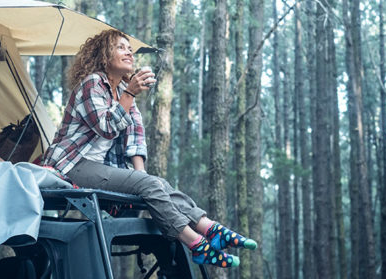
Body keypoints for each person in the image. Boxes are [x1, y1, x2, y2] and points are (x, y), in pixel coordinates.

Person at [42, 29, 256, 268]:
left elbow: (135, 136)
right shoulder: (92, 83)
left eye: (130, 49)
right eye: (121, 47)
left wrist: (141, 176)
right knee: (150, 185)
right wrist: (130, 93)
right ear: (104, 55)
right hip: (71, 165)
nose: (129, 52)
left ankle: (210, 228)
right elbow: (106, 127)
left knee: (158, 184)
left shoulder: (123, 91)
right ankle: (196, 244)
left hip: (98, 167)